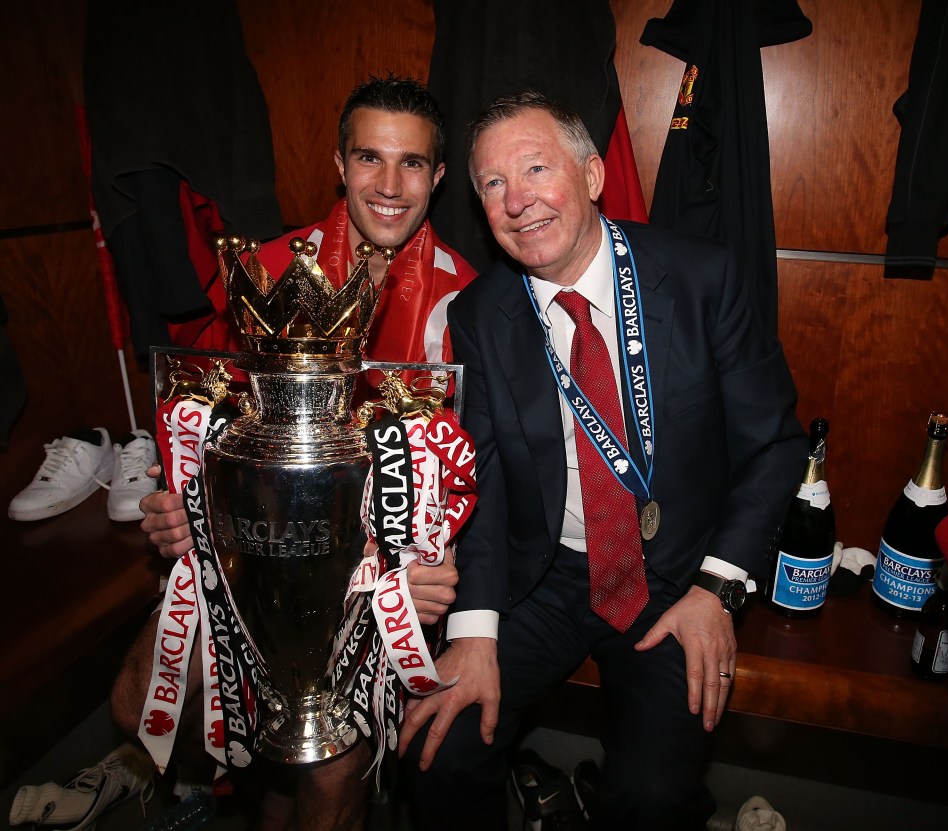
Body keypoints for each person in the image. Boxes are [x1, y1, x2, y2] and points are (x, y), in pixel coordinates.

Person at [397, 91, 807, 829]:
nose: (516, 200)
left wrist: (718, 588)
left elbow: (775, 445)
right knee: (441, 748)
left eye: (534, 169)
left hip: (675, 575)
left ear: (591, 175)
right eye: (492, 184)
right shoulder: (479, 315)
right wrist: (473, 634)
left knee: (650, 798)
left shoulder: (701, 279)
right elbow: (479, 479)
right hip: (544, 575)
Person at [112, 75, 475, 831]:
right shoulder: (266, 271)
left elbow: (472, 471)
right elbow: (203, 418)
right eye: (369, 158)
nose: (389, 184)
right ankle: (251, 795)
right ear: (339, 165)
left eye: (412, 164)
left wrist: (441, 564)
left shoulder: (470, 301)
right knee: (135, 697)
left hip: (378, 578)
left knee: (332, 762)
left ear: (438, 178)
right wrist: (180, 506)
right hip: (256, 547)